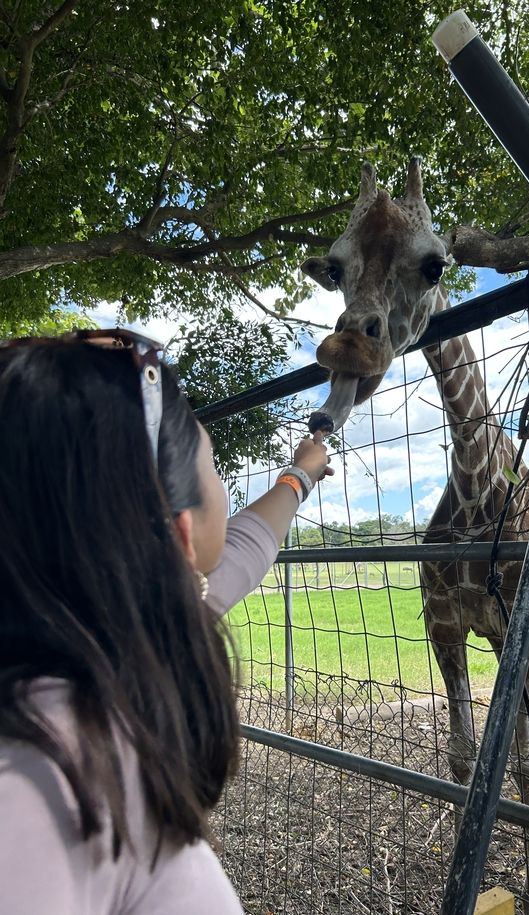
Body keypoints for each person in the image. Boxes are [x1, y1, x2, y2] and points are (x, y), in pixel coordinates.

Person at [0, 329, 333, 914]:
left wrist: (297, 477)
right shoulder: (47, 787)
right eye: (213, 467)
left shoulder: (93, 638)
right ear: (179, 537)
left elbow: (240, 554)